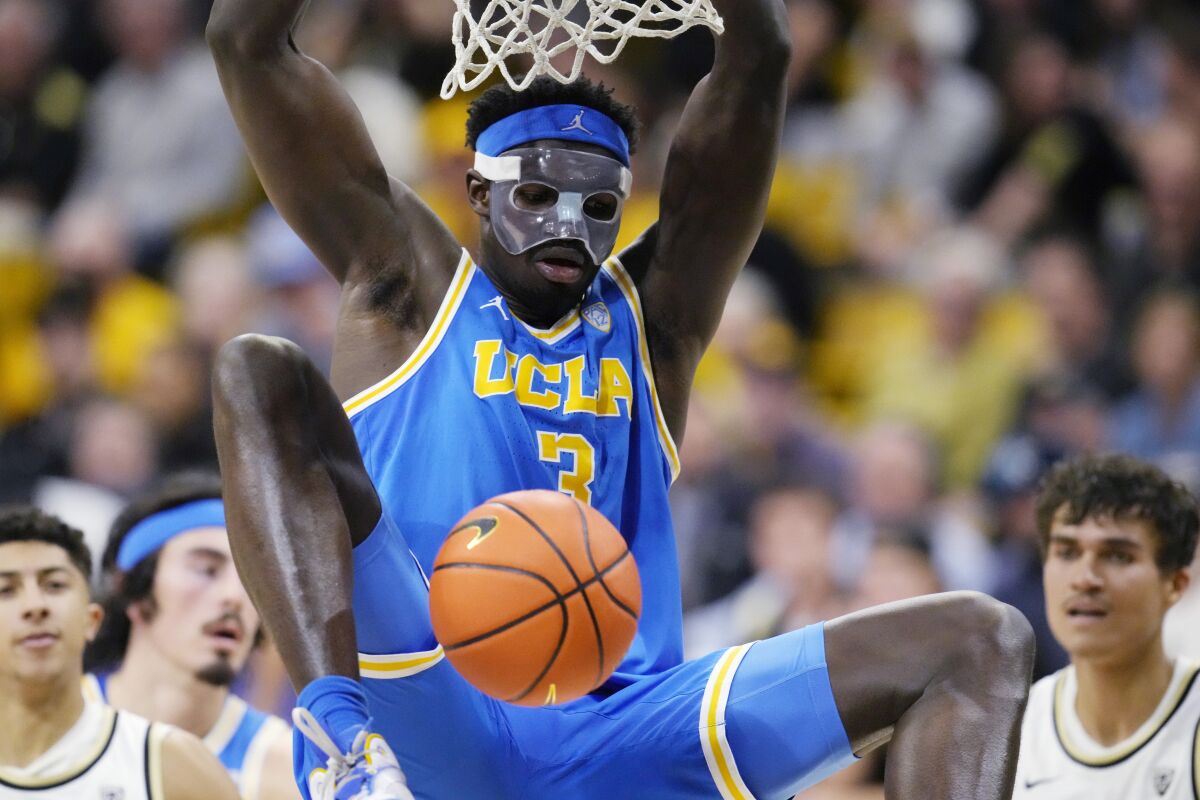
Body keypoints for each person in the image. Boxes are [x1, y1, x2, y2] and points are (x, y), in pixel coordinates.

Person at [206, 0, 1036, 797]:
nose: (569, 224)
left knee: (979, 637)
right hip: (434, 690)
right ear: (481, 192)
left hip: (622, 716)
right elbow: (245, 42)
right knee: (258, 368)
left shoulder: (654, 321)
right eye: (537, 197)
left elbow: (760, 62)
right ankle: (339, 744)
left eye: (598, 206)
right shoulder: (409, 284)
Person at [0, 505, 240, 800]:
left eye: (54, 585)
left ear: (92, 620)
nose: (35, 606)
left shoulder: (172, 765)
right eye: (6, 590)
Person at [82, 473, 296, 800]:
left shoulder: (287, 773)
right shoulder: (38, 726)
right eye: (207, 570)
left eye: (251, 578)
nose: (234, 596)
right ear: (132, 589)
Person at [1014, 453, 1200, 798]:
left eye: (1117, 556)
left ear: (1174, 584)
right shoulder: (1013, 730)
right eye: (1067, 552)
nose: (1085, 579)